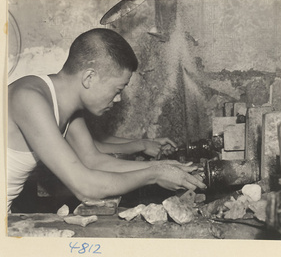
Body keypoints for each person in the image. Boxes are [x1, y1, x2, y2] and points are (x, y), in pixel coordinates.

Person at [7, 28, 206, 212]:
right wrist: (155, 175)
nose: (118, 99)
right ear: (89, 78)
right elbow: (85, 187)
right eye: (118, 90)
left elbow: (94, 160)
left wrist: (164, 167)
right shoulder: (30, 98)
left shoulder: (67, 107)